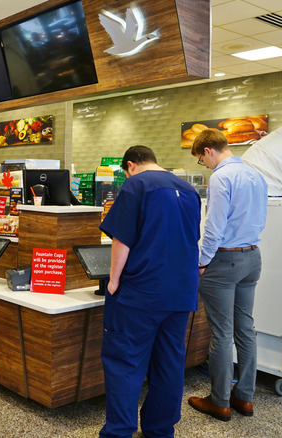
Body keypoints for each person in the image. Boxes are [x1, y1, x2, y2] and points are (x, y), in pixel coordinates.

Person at [98, 146, 201, 438]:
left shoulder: (136, 185)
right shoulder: (189, 189)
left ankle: (119, 431)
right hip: (181, 292)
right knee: (169, 364)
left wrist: (114, 281)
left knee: (125, 364)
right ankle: (160, 429)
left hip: (140, 293)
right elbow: (191, 238)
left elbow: (122, 239)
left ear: (130, 165)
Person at [188, 129, 267, 421]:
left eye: (201, 159)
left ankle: (219, 401)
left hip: (224, 260)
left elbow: (214, 226)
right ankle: (244, 398)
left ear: (209, 150)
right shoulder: (255, 175)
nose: (204, 165)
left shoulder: (221, 177)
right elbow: (261, 218)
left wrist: (202, 261)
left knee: (222, 332)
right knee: (245, 329)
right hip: (252, 256)